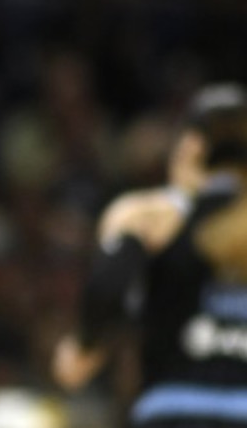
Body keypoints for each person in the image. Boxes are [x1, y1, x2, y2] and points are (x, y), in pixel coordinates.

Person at [53, 83, 247, 426]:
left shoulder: (157, 215)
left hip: (174, 405)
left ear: (191, 146)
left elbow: (106, 286)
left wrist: (85, 347)